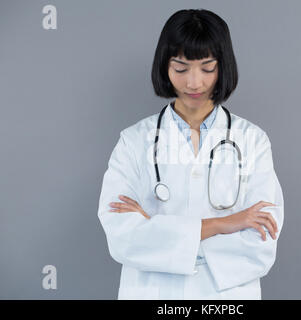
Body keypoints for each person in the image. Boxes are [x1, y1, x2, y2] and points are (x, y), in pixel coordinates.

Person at [97, 8, 284, 300]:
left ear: (224, 67)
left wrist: (158, 231)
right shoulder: (134, 141)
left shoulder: (252, 142)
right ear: (165, 66)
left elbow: (260, 246)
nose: (194, 83)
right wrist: (226, 224)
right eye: (181, 68)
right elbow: (122, 237)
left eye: (207, 68)